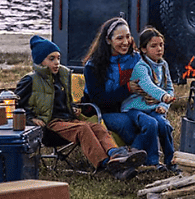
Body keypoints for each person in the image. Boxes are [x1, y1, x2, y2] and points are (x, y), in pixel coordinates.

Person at [14, 35, 146, 179]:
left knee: (97, 127)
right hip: (49, 125)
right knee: (83, 129)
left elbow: (62, 101)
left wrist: (73, 107)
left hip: (68, 120)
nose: (57, 62)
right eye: (51, 59)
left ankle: (117, 155)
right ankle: (107, 164)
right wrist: (31, 118)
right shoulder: (30, 80)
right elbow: (15, 104)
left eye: (58, 58)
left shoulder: (61, 76)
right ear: (40, 61)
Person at [80, 17, 160, 167]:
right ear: (108, 40)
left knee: (152, 123)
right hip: (104, 111)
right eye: (120, 38)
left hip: (132, 107)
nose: (125, 42)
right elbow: (98, 99)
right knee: (128, 125)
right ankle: (127, 162)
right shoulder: (93, 66)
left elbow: (152, 80)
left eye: (128, 36)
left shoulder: (136, 59)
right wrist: (127, 89)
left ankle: (151, 163)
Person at [123, 26, 176, 169]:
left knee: (164, 125)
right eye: (154, 46)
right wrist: (163, 96)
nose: (159, 49)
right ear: (144, 49)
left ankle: (171, 161)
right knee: (151, 124)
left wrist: (164, 105)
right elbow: (148, 85)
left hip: (153, 108)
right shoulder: (141, 67)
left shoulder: (163, 65)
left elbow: (169, 88)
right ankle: (153, 161)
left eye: (161, 45)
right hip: (135, 108)